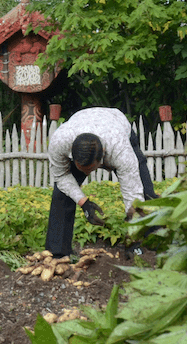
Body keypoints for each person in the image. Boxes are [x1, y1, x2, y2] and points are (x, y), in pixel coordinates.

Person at [45, 107, 158, 258]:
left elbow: (133, 194)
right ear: (72, 154)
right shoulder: (60, 142)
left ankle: (152, 244)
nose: (86, 174)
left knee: (146, 193)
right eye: (82, 169)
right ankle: (58, 253)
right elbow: (61, 176)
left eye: (90, 169)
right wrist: (83, 202)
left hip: (117, 125)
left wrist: (134, 238)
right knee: (61, 195)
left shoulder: (121, 151)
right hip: (81, 121)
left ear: (104, 156)